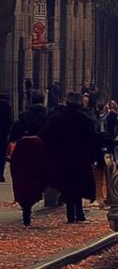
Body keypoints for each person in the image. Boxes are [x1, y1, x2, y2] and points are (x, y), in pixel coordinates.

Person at [41, 92, 96, 223]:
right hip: (80, 159)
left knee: (67, 185)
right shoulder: (86, 121)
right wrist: (94, 157)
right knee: (78, 185)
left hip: (62, 159)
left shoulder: (56, 120)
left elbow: (45, 137)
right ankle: (79, 213)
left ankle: (71, 215)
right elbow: (93, 140)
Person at [9, 92, 48, 227]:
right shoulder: (47, 117)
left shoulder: (24, 117)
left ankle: (26, 208)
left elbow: (14, 133)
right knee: (38, 179)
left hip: (23, 153)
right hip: (41, 152)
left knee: (24, 180)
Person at [0, 93, 12, 182]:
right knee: (2, 154)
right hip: (3, 134)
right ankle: (0, 174)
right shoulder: (8, 107)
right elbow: (9, 122)